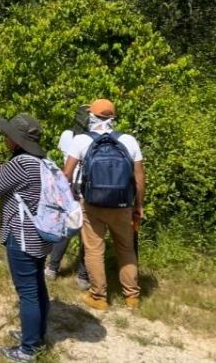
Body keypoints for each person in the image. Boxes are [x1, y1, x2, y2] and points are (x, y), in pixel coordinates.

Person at [0, 113, 54, 362]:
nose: (4, 137)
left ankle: (29, 349)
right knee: (38, 287)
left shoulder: (20, 163)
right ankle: (36, 335)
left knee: (27, 293)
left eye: (8, 134)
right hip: (39, 235)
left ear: (17, 140)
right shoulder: (41, 161)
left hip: (21, 236)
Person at [63, 98, 145, 311]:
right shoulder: (129, 140)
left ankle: (98, 297)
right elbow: (139, 178)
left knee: (94, 250)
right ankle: (132, 297)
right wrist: (138, 205)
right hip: (122, 204)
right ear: (112, 117)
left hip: (92, 204)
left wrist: (67, 199)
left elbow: (67, 174)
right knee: (126, 249)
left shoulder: (81, 140)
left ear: (92, 116)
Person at [46, 104, 90, 290]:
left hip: (69, 188)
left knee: (65, 229)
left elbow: (66, 162)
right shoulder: (94, 139)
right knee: (88, 234)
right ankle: (83, 277)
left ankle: (52, 268)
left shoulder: (66, 135)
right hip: (90, 190)